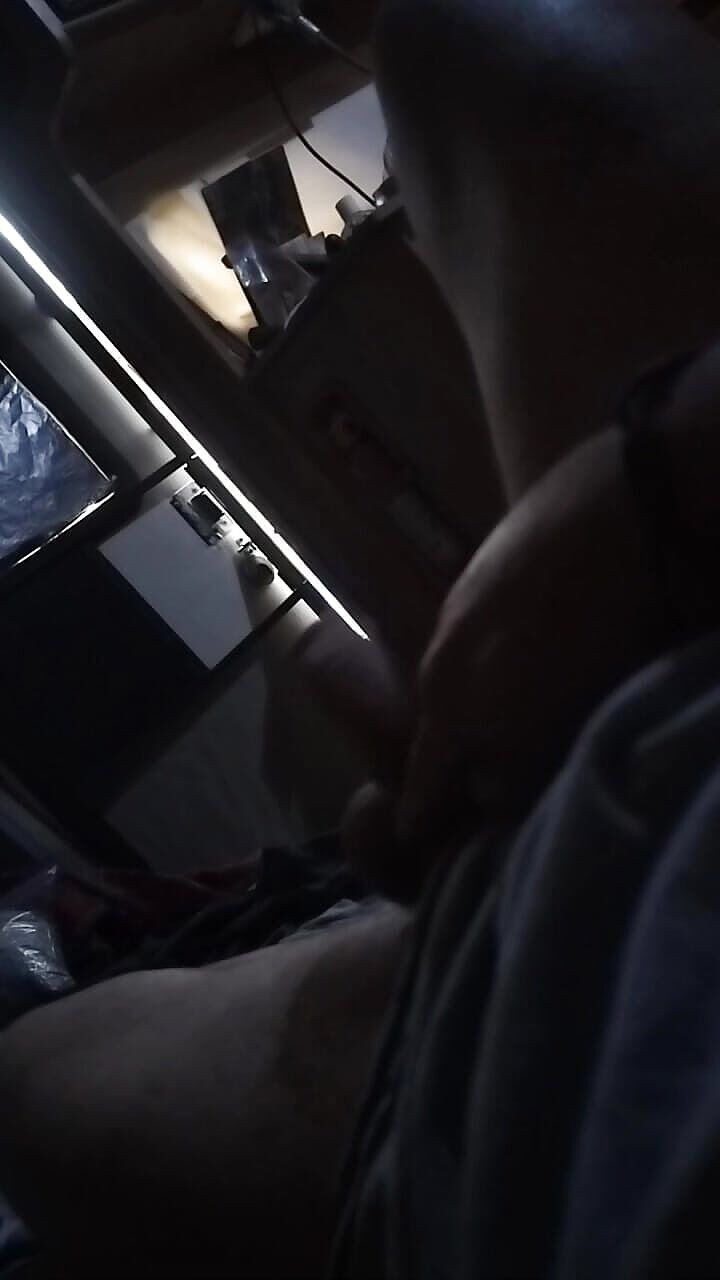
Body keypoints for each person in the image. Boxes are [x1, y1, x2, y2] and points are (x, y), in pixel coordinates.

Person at [4, 0, 720, 1274]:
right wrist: (659, 474)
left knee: (36, 1078)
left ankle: (479, 892)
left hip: (578, 1016)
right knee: (471, 35)